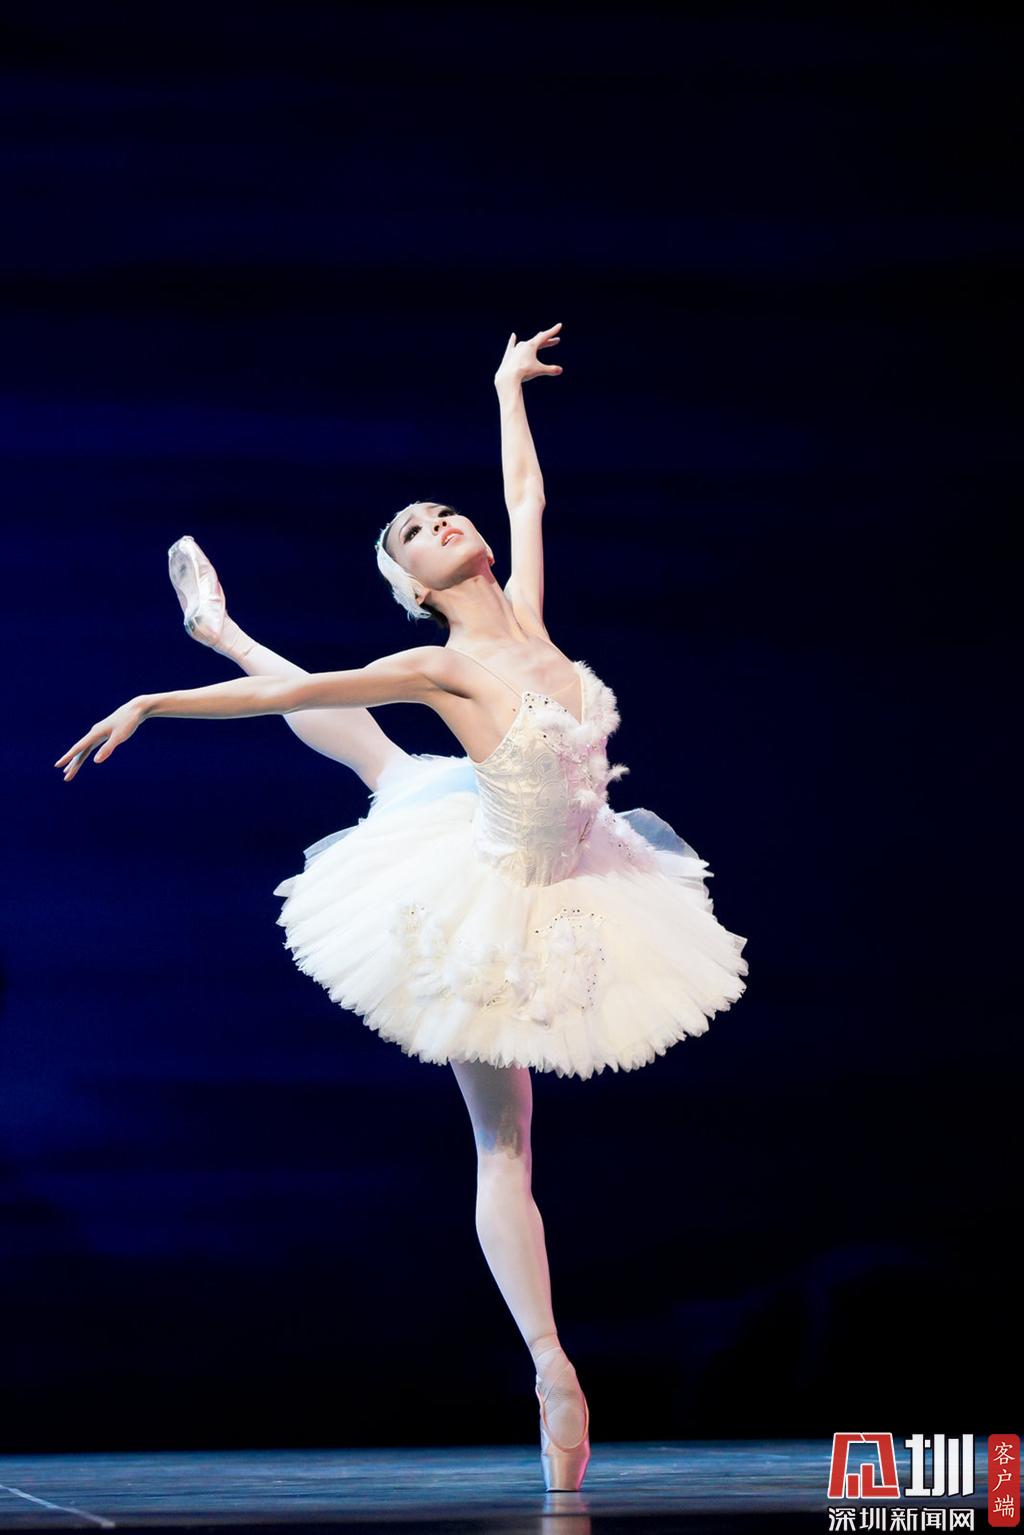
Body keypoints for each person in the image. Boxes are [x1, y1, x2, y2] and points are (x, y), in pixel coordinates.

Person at [56, 323, 748, 1492]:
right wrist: (155, 699)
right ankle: (550, 1366)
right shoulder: (442, 663)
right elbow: (296, 693)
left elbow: (525, 491)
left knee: (386, 770)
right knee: (501, 1133)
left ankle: (220, 627)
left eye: (440, 513)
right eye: (414, 531)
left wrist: (504, 385)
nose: (439, 523)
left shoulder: (529, 614)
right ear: (414, 587)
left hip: (581, 870)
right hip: (485, 893)